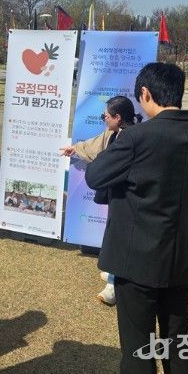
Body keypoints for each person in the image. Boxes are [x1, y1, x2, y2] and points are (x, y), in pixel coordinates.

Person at [85, 63, 188, 374]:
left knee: (138, 348)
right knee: (177, 340)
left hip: (136, 261)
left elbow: (95, 176)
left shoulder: (135, 138)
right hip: (182, 259)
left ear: (145, 94)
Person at [60, 95, 142, 306]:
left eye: (105, 116)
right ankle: (114, 274)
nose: (104, 119)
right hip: (118, 196)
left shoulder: (130, 139)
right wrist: (75, 148)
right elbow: (95, 144)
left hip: (129, 198)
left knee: (121, 240)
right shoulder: (115, 133)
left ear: (118, 117)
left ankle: (113, 286)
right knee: (116, 237)